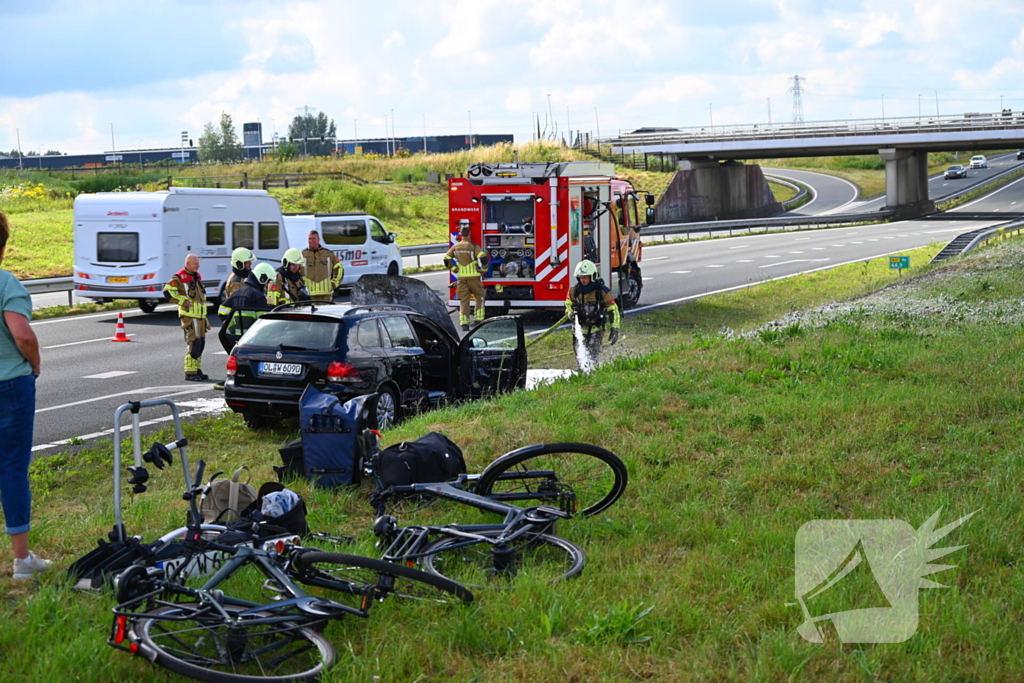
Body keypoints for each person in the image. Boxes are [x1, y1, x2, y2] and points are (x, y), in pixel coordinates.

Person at [0, 212, 50, 579]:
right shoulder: (6, 284)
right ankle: (22, 561)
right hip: (10, 385)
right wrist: (34, 364)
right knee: (12, 468)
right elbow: (23, 336)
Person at [564, 259, 621, 365]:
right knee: (579, 353)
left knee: (592, 352)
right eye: (580, 277)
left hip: (596, 327)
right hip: (579, 328)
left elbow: (613, 310)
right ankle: (582, 374)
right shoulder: (574, 291)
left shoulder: (602, 291)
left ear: (593, 276)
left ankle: (592, 372)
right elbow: (568, 304)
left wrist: (615, 328)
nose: (583, 280)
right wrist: (571, 313)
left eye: (585, 277)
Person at [164, 254, 211, 382]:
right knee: (193, 344)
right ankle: (190, 372)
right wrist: (182, 302)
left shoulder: (196, 277)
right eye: (196, 263)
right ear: (188, 263)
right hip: (190, 317)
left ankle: (197, 370)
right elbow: (167, 291)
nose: (198, 265)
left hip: (200, 317)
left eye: (198, 263)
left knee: (201, 344)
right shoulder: (179, 277)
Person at [444, 223, 488, 331]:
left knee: (464, 300)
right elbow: (483, 258)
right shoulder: (473, 246)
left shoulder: (456, 246)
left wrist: (454, 269)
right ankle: (478, 320)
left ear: (460, 235)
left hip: (461, 278)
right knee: (479, 297)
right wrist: (484, 269)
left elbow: (446, 259)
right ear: (470, 234)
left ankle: (464, 324)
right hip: (474, 278)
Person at [302, 231, 343, 302]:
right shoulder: (302, 255)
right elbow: (296, 272)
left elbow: (339, 268)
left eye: (313, 238)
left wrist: (335, 283)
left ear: (318, 239)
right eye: (309, 239)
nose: (311, 241)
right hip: (309, 295)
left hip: (326, 295)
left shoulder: (328, 254)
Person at [217, 247, 255, 318]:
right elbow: (238, 304)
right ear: (239, 264)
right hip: (239, 321)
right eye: (247, 262)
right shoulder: (236, 282)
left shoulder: (242, 277)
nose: (250, 263)